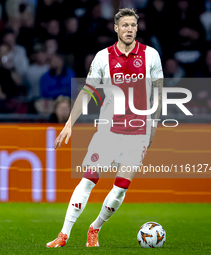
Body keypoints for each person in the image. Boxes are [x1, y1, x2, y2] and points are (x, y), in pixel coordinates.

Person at [46, 8, 163, 248]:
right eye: (125, 25)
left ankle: (95, 227)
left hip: (138, 132)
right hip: (108, 131)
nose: (129, 29)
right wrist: (69, 123)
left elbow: (159, 94)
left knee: (121, 188)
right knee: (88, 180)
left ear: (137, 28)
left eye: (133, 25)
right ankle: (64, 234)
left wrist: (154, 124)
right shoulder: (102, 57)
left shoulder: (151, 55)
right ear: (116, 28)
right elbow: (87, 92)